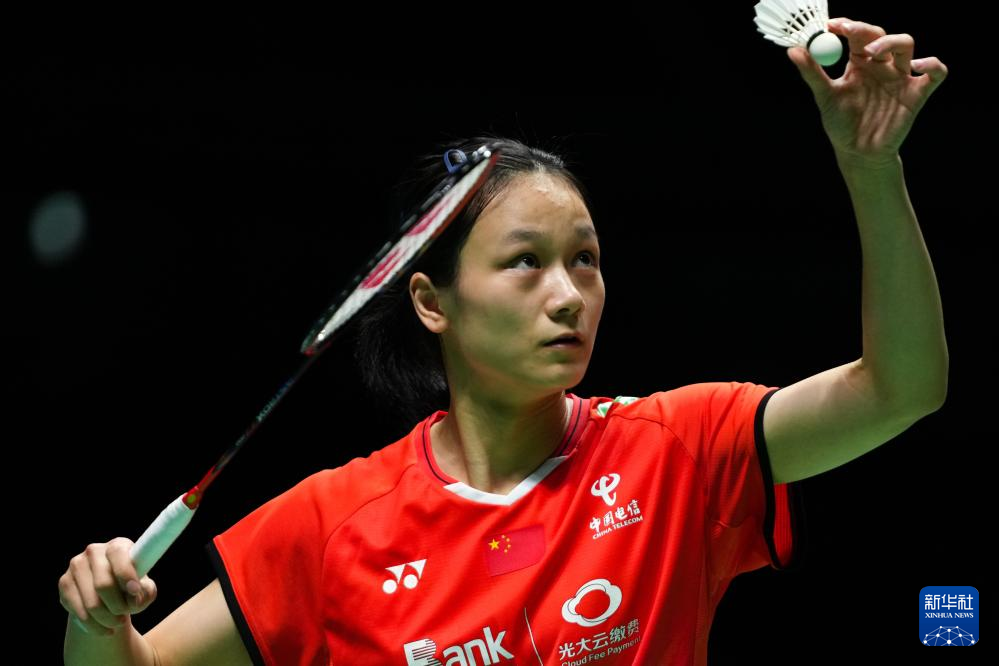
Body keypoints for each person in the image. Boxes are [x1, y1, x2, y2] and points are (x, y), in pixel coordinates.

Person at [60, 17, 949, 666]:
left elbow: (900, 388)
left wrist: (869, 167)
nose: (568, 295)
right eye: (526, 262)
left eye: (584, 260)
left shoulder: (676, 451)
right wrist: (96, 621)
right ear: (431, 302)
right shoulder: (331, 527)